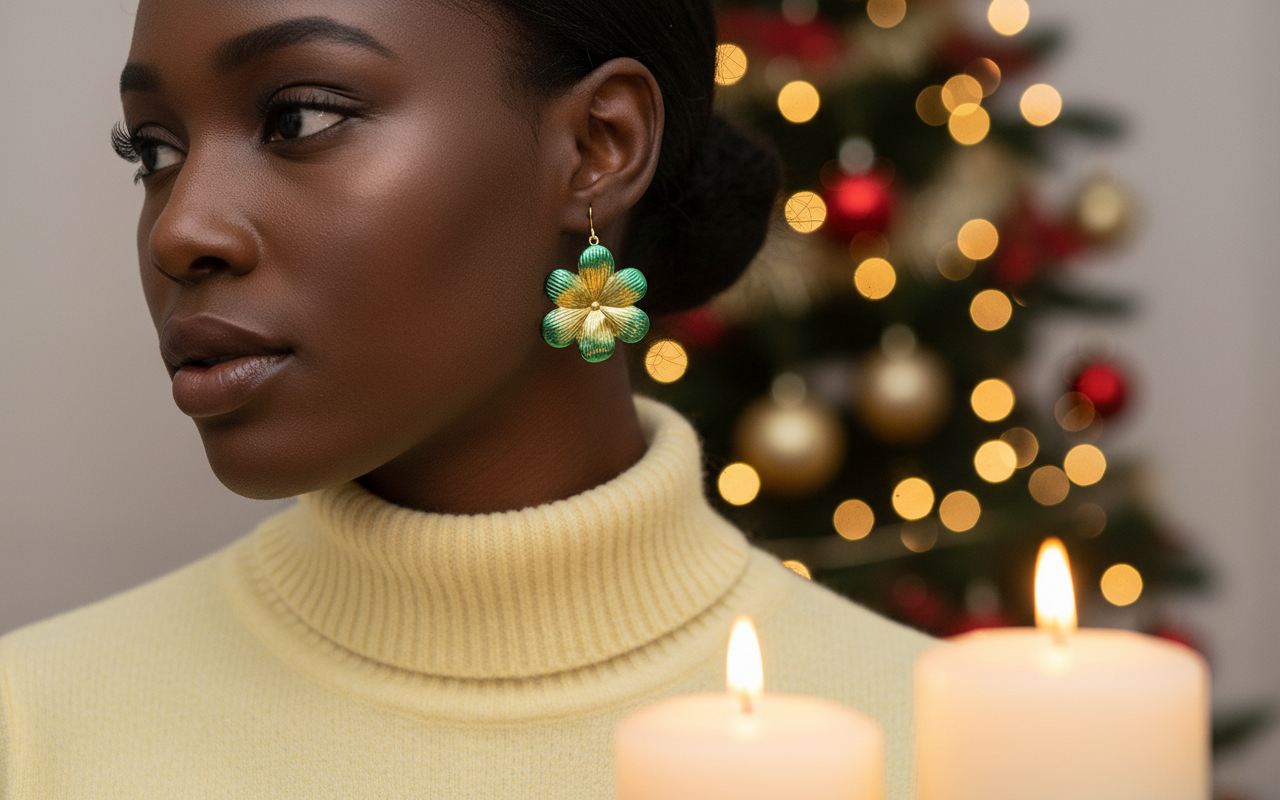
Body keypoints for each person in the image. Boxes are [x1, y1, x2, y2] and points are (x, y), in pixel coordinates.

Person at [0, 0, 931, 796]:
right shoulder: (31, 725)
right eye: (154, 150)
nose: (180, 230)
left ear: (598, 147)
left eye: (299, 119)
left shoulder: (943, 747)